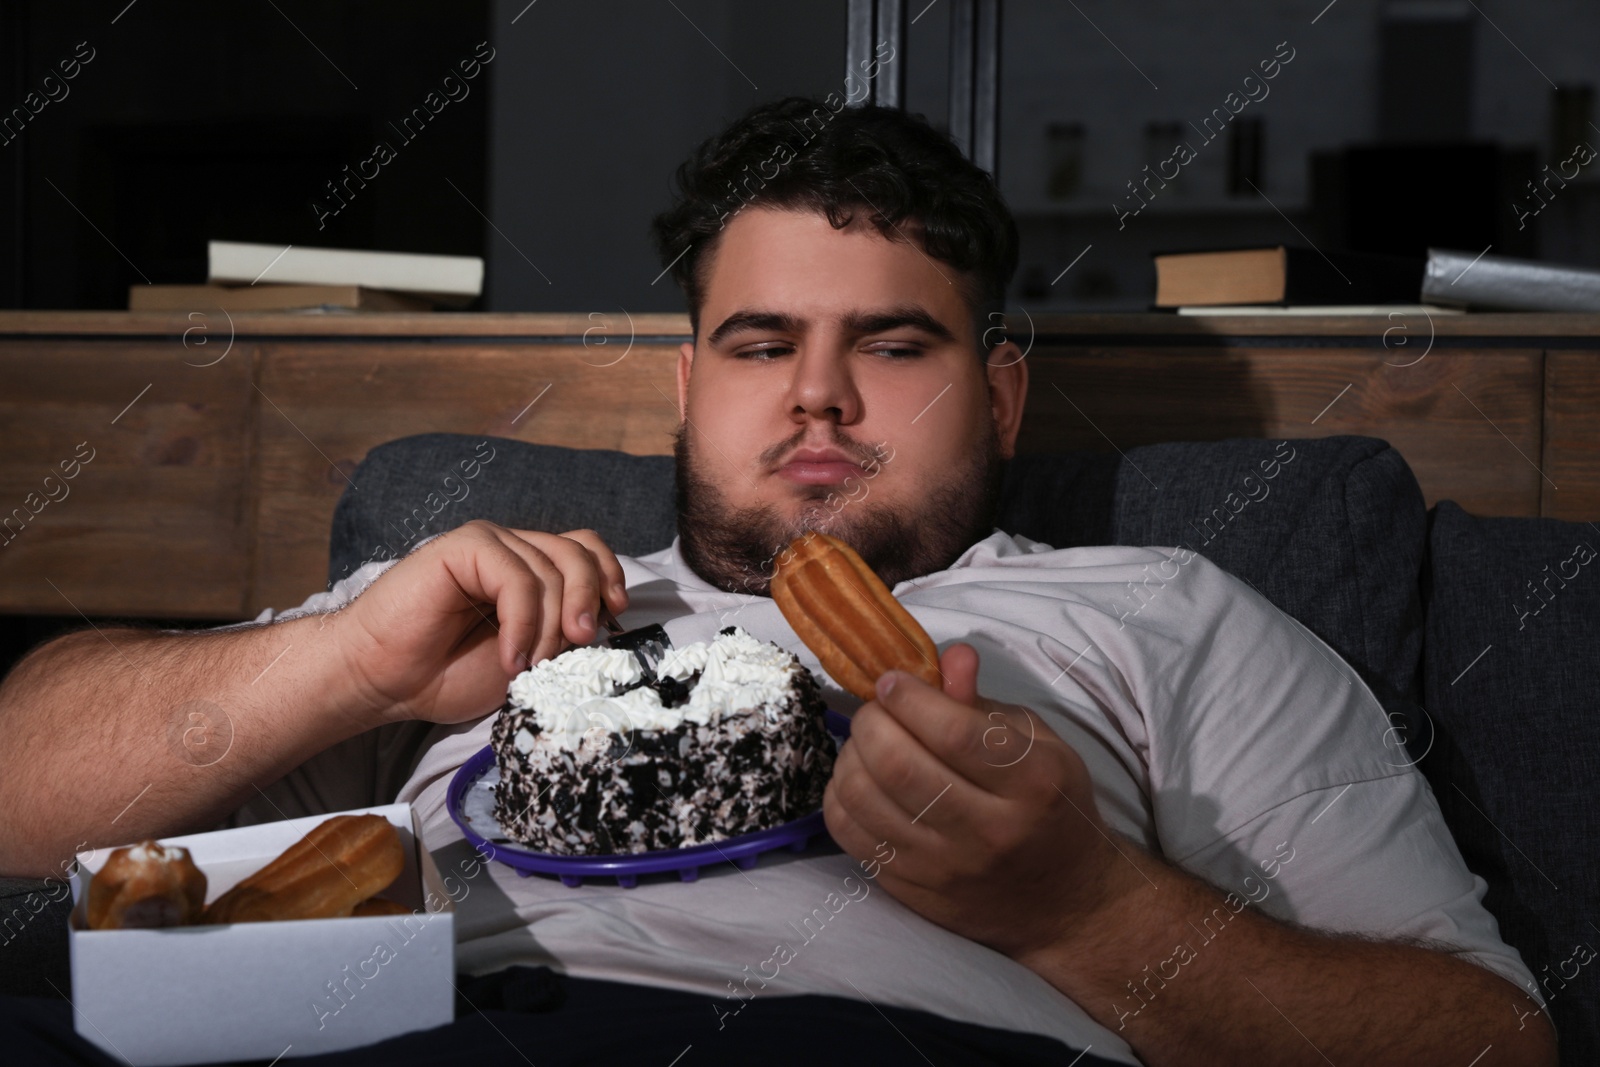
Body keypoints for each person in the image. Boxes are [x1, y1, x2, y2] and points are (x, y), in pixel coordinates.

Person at [0, 97, 1557, 1067]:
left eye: (892, 344)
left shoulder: (1164, 615)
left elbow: (1486, 1045)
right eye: (761, 347)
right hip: (384, 1023)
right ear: (689, 387)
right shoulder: (476, 605)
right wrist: (352, 664)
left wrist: (1082, 907)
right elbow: (19, 800)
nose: (818, 399)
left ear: (1000, 398)